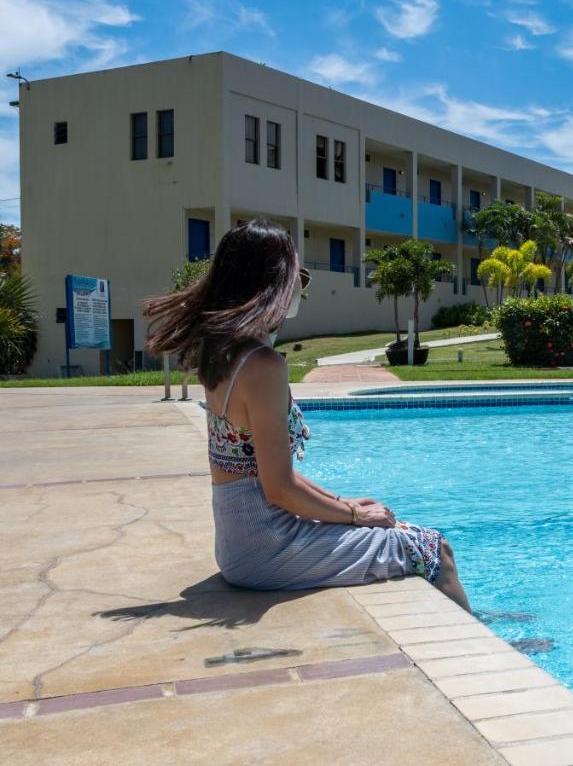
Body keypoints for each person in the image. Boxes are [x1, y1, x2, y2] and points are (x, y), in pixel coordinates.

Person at [143, 219, 470, 612]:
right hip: (267, 549)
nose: (300, 287)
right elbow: (279, 489)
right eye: (298, 276)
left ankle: (478, 619)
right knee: (434, 549)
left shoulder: (222, 356)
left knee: (399, 530)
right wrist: (352, 515)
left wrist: (344, 502)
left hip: (242, 543)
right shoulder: (262, 366)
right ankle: (487, 649)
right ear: (272, 282)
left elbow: (263, 473)